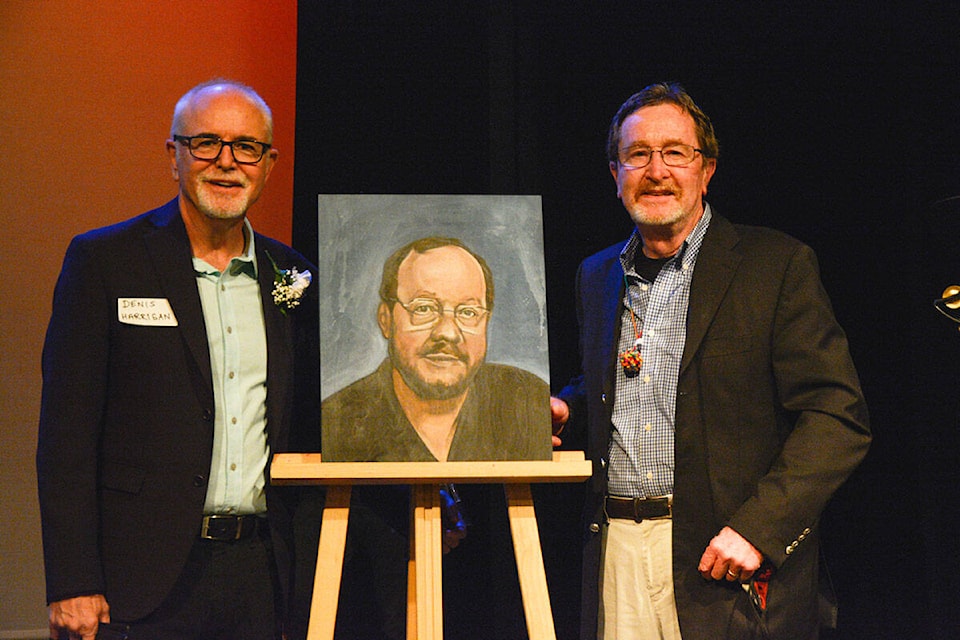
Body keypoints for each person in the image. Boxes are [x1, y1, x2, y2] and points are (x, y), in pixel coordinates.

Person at [551, 82, 871, 639]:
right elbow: (624, 378)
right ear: (614, 172)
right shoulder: (596, 275)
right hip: (617, 552)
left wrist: (759, 530)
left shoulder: (775, 265)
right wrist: (568, 406)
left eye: (676, 152)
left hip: (722, 563)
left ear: (707, 169)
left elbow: (836, 417)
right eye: (637, 154)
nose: (656, 171)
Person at [36, 79, 319, 640]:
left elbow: (326, 418)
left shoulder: (293, 276)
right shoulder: (105, 261)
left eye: (246, 147)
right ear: (175, 155)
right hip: (137, 580)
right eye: (206, 143)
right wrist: (71, 578)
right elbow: (66, 435)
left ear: (268, 164)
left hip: (262, 573)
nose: (226, 162)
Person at [322, 236, 552, 462]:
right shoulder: (338, 421)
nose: (447, 333)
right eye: (424, 308)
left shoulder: (525, 401)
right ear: (385, 320)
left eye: (468, 312)